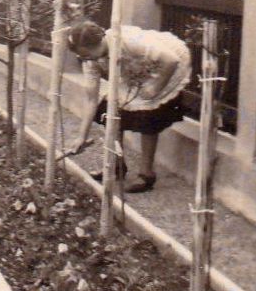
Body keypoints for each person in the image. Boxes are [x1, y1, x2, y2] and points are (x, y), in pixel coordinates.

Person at [65, 20, 192, 193]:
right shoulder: (90, 59)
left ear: (97, 43)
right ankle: (116, 164)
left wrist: (155, 86)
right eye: (82, 56)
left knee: (148, 114)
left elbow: (171, 60)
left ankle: (146, 174)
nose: (86, 59)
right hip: (132, 71)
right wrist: (81, 136)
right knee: (111, 111)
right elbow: (91, 99)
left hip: (162, 65)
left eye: (87, 54)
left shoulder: (129, 41)